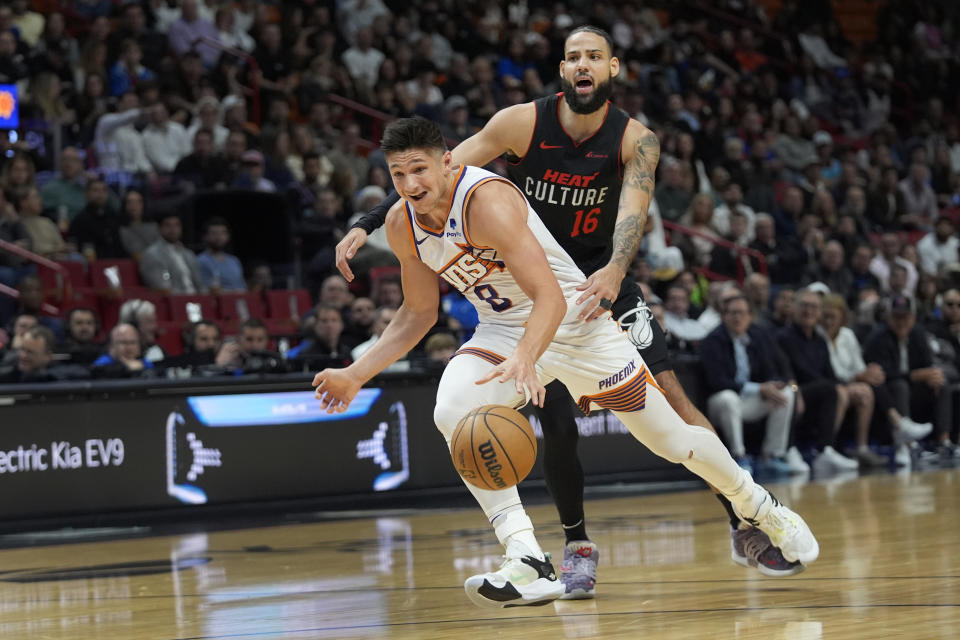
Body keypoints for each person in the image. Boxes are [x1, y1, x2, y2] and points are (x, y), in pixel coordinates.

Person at [333, 28, 801, 591]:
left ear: (613, 67)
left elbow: (617, 225)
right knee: (457, 408)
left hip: (583, 305)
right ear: (562, 69)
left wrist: (612, 276)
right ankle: (532, 556)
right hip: (510, 322)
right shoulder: (505, 135)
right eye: (574, 56)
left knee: (672, 434)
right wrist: (357, 368)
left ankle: (756, 507)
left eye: (593, 57)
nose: (409, 185)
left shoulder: (607, 151)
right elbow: (417, 298)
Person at [700, 293, 807, 486]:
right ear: (724, 316)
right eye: (732, 313)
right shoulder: (713, 341)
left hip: (748, 401)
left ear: (750, 317)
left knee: (786, 394)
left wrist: (778, 385)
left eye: (741, 313)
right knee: (728, 398)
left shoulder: (759, 335)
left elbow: (777, 368)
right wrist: (759, 388)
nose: (737, 318)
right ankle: (738, 456)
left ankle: (772, 455)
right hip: (719, 404)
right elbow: (717, 382)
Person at [819, 294, 929, 466]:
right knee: (862, 386)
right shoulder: (818, 336)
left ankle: (862, 447)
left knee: (871, 383)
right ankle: (826, 449)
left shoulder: (847, 335)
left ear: (842, 317)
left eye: (833, 317)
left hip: (852, 383)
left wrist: (868, 373)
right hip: (829, 385)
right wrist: (859, 376)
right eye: (825, 316)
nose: (828, 321)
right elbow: (829, 371)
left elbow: (858, 365)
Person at [776, 288, 859, 473]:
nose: (809, 311)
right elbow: (786, 373)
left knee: (837, 390)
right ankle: (794, 450)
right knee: (826, 389)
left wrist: (851, 387)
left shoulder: (820, 340)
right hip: (793, 390)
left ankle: (827, 450)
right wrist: (796, 392)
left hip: (817, 392)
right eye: (804, 306)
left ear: (819, 312)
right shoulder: (784, 337)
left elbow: (831, 375)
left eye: (813, 307)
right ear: (795, 309)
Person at [863, 295, 956, 459]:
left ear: (913, 318)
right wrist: (915, 375)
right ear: (889, 318)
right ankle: (908, 443)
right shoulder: (877, 338)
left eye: (905, 317)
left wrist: (933, 376)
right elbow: (882, 375)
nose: (901, 322)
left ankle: (944, 442)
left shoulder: (918, 334)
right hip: (887, 399)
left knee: (942, 383)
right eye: (897, 317)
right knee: (900, 385)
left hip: (914, 394)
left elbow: (927, 366)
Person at [139, 212, 206, 294]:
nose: (173, 229)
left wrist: (206, 301)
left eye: (176, 225)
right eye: (168, 225)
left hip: (196, 301)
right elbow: (161, 287)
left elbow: (200, 284)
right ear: (159, 228)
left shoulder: (189, 254)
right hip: (174, 302)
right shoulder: (151, 255)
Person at [196, 217, 246, 292]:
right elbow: (205, 289)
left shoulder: (234, 261)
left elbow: (243, 287)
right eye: (214, 233)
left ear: (228, 236)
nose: (218, 237)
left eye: (222, 233)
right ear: (205, 237)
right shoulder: (200, 261)